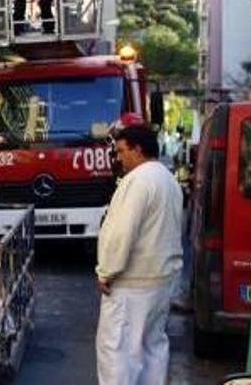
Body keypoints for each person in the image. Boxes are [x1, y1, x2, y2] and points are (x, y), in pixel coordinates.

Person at [95, 125, 183, 385]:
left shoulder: (138, 181)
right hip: (161, 281)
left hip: (132, 286)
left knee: (118, 355)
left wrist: (106, 271)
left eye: (122, 151)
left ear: (138, 149)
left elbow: (121, 232)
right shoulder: (168, 180)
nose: (118, 157)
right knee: (152, 349)